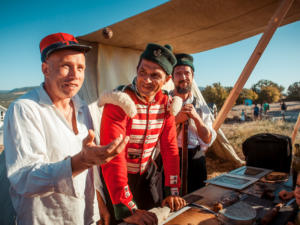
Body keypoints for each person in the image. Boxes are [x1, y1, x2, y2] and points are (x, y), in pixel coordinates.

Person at [4, 33, 128, 225]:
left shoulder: (82, 107)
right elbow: (25, 179)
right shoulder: (25, 108)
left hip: (84, 216)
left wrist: (97, 205)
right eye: (65, 66)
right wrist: (81, 161)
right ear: (45, 69)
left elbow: (90, 171)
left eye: (80, 68)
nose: (75, 75)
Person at [99, 43, 186, 224]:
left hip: (147, 173)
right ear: (137, 69)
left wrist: (172, 190)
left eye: (155, 75)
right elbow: (114, 156)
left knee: (154, 218)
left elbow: (170, 147)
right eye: (142, 72)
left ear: (167, 79)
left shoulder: (167, 103)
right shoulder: (119, 101)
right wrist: (125, 206)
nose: (146, 80)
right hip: (117, 178)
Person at [171, 53, 216, 193]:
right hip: (171, 158)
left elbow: (207, 138)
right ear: (172, 77)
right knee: (172, 200)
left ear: (192, 76)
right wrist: (177, 120)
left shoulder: (201, 106)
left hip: (196, 159)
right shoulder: (164, 102)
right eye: (178, 73)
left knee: (197, 197)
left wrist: (196, 118)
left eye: (187, 73)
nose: (183, 77)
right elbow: (156, 135)